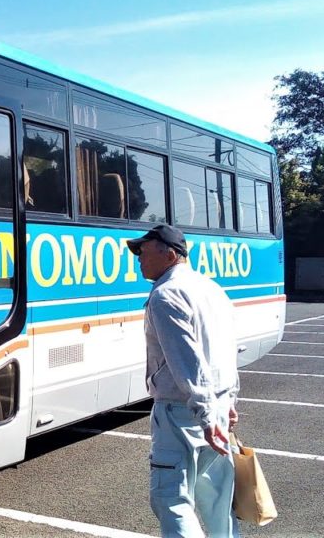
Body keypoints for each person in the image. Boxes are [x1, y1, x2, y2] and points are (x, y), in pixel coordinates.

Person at [126, 224, 240, 538]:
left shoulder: (165, 295)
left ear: (170, 253)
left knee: (170, 497)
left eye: (144, 252)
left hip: (183, 414)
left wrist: (204, 415)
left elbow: (185, 362)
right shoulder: (211, 289)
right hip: (215, 406)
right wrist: (228, 403)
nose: (139, 260)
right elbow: (226, 349)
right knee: (217, 497)